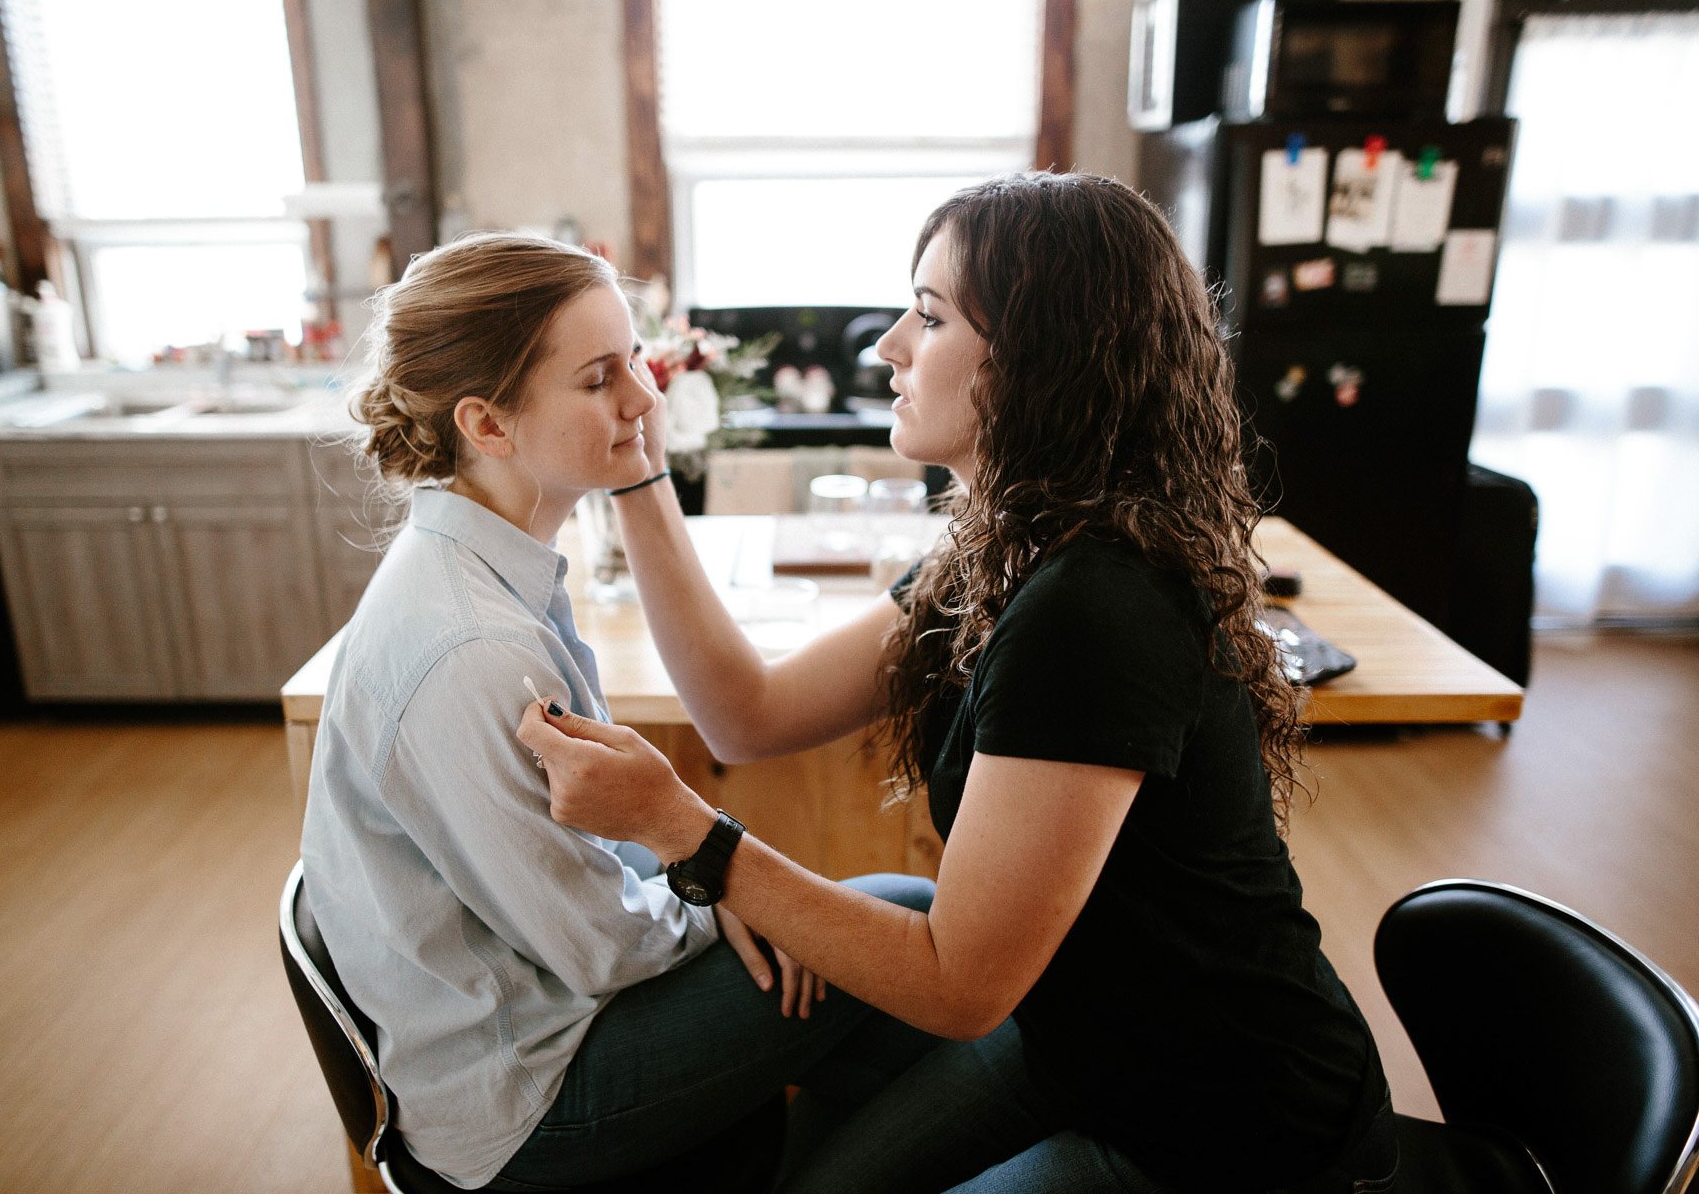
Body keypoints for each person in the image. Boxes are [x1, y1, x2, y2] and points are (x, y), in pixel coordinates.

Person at [518, 173, 1400, 1194]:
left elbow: (959, 985)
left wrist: (690, 835)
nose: (887, 346)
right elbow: (747, 714)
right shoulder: (1000, 551)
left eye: (929, 317)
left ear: (1039, 361)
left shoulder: (1093, 609)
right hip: (1075, 1040)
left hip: (1223, 1121)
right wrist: (639, 476)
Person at [299, 232, 936, 1191]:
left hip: (537, 1004)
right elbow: (598, 945)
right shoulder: (473, 648)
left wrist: (723, 879)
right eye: (600, 379)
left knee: (863, 996)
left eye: (634, 359)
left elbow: (600, 857)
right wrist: (725, 894)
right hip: (525, 1095)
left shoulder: (482, 568)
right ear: (488, 423)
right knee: (897, 914)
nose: (645, 398)